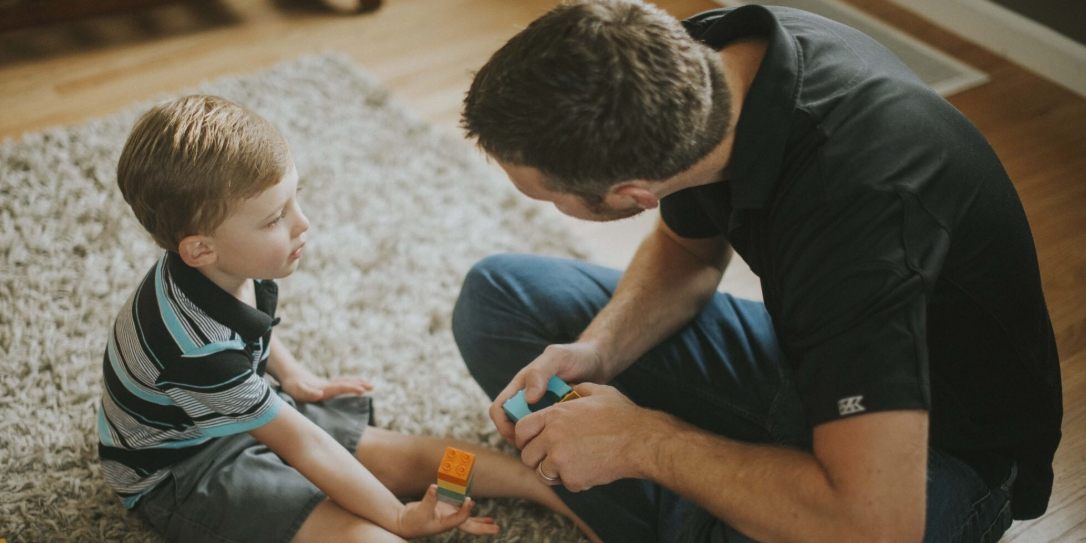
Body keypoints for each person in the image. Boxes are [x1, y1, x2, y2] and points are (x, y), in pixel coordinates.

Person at [452, 1, 1063, 542]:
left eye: (546, 197)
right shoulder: (701, 67)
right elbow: (689, 252)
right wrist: (597, 351)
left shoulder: (856, 212)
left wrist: (642, 441)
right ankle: (725, 497)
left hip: (938, 452)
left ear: (632, 194)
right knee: (498, 298)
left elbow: (875, 525)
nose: (544, 205)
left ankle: (697, 507)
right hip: (818, 358)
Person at [96, 94, 595, 543]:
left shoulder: (230, 268)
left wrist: (293, 375)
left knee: (419, 458)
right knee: (365, 533)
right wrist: (398, 517)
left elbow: (247, 330)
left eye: (294, 199)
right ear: (200, 249)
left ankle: (538, 486)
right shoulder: (197, 351)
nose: (302, 223)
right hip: (184, 471)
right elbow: (304, 446)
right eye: (274, 218)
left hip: (238, 406)